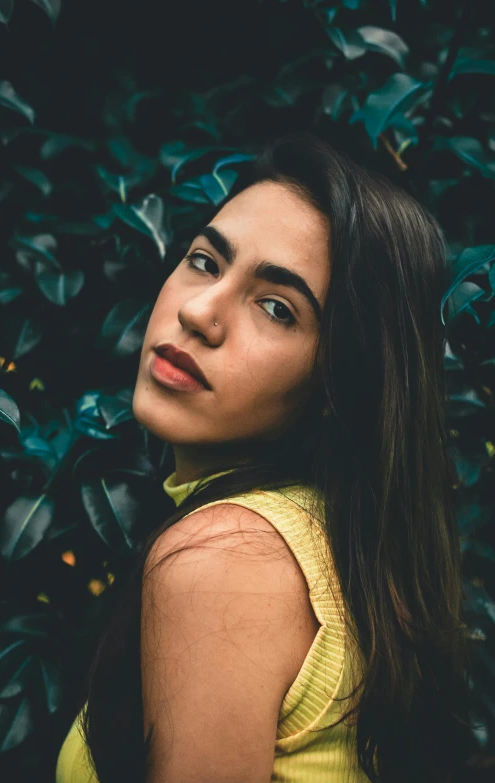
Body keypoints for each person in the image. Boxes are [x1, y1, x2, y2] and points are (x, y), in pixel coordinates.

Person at [55, 132, 475, 783]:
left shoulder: (224, 559)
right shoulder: (339, 547)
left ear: (341, 383)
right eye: (204, 260)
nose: (199, 312)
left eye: (276, 307)